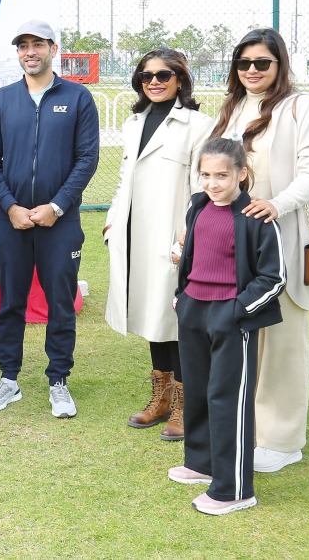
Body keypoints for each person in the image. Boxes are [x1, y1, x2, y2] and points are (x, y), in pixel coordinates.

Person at [209, 28, 309, 473]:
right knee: (242, 332)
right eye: (244, 64)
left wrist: (277, 205)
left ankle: (282, 439)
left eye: (262, 63)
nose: (252, 71)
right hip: (231, 240)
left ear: (280, 65)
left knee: (282, 338)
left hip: (284, 235)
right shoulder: (230, 109)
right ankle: (248, 428)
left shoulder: (300, 107)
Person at [0, 19, 99, 418]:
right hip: (9, 221)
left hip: (59, 222)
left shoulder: (78, 98)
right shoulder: (1, 100)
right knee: (10, 303)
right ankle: (8, 379)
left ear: (53, 48)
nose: (30, 51)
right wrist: (11, 207)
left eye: (38, 44)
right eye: (23, 45)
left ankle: (58, 381)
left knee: (60, 304)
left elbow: (87, 160)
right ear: (17, 52)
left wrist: (57, 207)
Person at [168, 138, 285, 516]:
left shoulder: (256, 218)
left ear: (242, 174)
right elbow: (189, 258)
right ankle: (202, 463)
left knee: (227, 398)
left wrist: (237, 310)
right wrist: (181, 295)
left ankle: (234, 488)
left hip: (231, 316)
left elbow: (275, 277)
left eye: (222, 175)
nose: (213, 183)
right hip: (193, 311)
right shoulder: (197, 207)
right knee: (199, 390)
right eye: (205, 174)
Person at [104, 48, 213, 441]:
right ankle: (162, 398)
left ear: (180, 80)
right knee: (153, 314)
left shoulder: (198, 125)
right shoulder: (134, 122)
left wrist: (189, 233)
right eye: (146, 75)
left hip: (174, 235)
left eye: (164, 75)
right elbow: (124, 178)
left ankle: (186, 405)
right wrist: (112, 219)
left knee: (177, 317)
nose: (154, 81)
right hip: (134, 232)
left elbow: (204, 187)